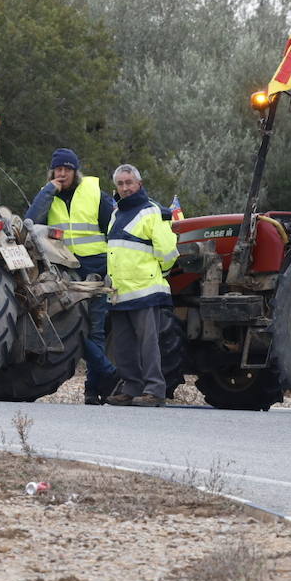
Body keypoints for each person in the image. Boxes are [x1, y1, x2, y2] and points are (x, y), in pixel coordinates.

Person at [25, 147, 119, 405]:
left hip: (96, 268)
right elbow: (29, 221)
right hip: (64, 270)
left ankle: (93, 390)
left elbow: (112, 229)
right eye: (58, 169)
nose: (63, 173)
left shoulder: (94, 195)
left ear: (76, 172)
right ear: (52, 171)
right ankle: (108, 374)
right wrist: (48, 190)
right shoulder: (48, 195)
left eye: (67, 169)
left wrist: (112, 268)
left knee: (96, 330)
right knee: (72, 327)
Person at [104, 164, 178, 407]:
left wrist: (160, 274)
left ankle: (155, 391)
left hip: (146, 291)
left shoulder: (151, 212)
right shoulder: (115, 214)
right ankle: (132, 387)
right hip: (120, 293)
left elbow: (168, 251)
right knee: (124, 347)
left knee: (148, 345)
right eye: (121, 184)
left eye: (129, 183)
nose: (125, 188)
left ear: (139, 184)